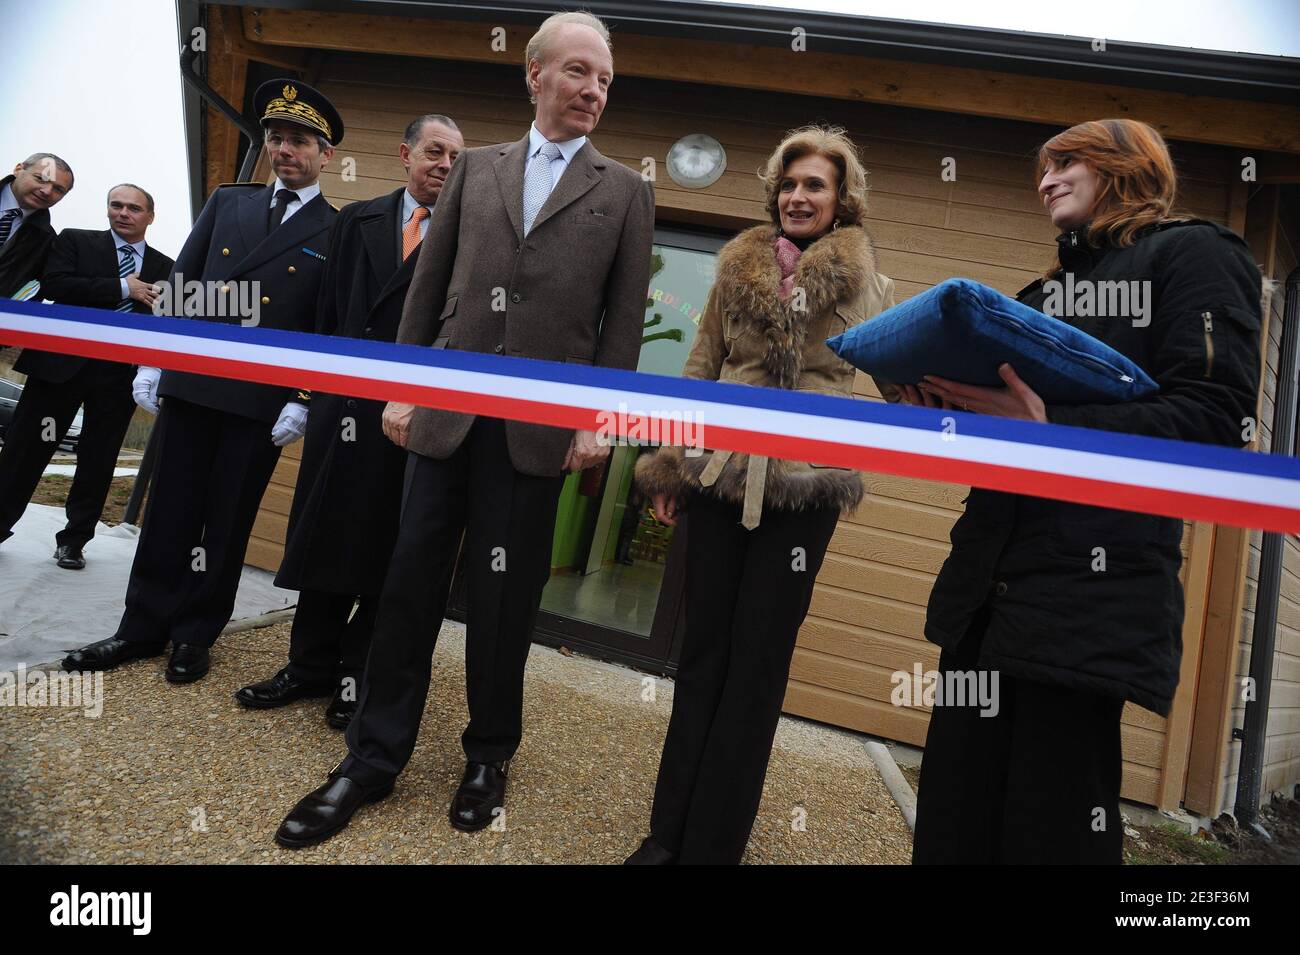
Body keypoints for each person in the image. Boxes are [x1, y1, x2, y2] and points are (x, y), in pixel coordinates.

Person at [275, 10, 654, 848]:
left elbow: (620, 327)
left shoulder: (627, 192)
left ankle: (488, 755)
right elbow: (426, 291)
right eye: (580, 72)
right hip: (444, 418)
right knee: (407, 585)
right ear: (536, 74)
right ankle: (369, 761)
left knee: (503, 600)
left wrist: (603, 421)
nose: (594, 90)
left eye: (605, 79)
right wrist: (402, 391)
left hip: (537, 431)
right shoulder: (476, 170)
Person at [905, 119, 1261, 864]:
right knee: (949, 828)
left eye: (1068, 162)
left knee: (1050, 832)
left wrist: (1049, 422)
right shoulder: (1040, 294)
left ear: (1127, 167)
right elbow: (1006, 440)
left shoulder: (1195, 253)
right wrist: (941, 409)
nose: (1046, 179)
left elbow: (1210, 422)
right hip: (982, 603)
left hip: (1082, 610)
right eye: (1043, 167)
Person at [626, 125, 895, 864]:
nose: (798, 196)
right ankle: (664, 836)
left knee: (757, 671)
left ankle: (713, 847)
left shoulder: (871, 284)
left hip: (803, 497)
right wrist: (669, 463)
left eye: (816, 185)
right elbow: (700, 367)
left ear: (842, 201)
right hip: (716, 481)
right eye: (789, 183)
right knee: (702, 659)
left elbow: (889, 380)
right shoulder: (735, 266)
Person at [60, 80, 343, 685]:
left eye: (298, 141)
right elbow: (183, 283)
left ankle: (194, 634)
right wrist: (153, 359)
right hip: (193, 384)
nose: (284, 150)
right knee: (170, 511)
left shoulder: (337, 230)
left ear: (324, 154)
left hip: (260, 401)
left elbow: (326, 326)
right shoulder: (228, 202)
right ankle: (140, 628)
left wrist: (302, 398)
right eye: (276, 139)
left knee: (227, 518)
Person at [236, 114, 465, 729]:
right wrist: (310, 395)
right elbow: (324, 316)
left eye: (455, 157)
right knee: (324, 536)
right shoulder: (355, 220)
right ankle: (308, 665)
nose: (445, 165)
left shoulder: (468, 236)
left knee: (388, 550)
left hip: (412, 416)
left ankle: (354, 675)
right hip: (344, 407)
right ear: (405, 153)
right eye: (434, 152)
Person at [0, 185, 173, 568]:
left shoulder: (167, 266)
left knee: (98, 459)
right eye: (116, 205)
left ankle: (74, 541)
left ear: (150, 216)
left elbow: (164, 322)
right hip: (59, 367)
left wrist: (152, 367)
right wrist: (121, 287)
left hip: (118, 377)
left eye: (133, 208)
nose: (123, 213)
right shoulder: (75, 242)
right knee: (24, 451)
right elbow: (54, 285)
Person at [0, 153, 73, 298]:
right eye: (41, 179)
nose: (47, 191)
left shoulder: (49, 243)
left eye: (58, 189)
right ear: (18, 169)